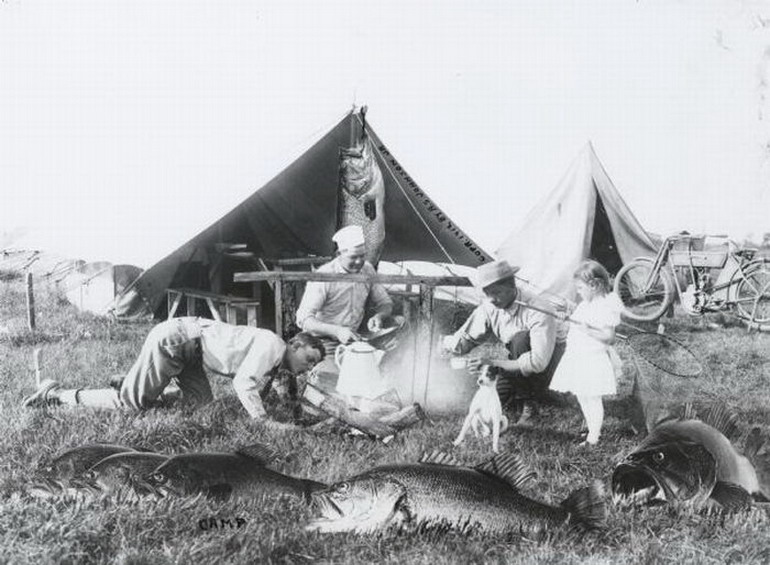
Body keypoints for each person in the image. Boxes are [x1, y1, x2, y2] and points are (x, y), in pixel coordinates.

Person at [22, 317, 325, 429]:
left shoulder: (277, 357)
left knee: (200, 404)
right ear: (295, 344)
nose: (308, 367)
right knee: (131, 405)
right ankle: (57, 395)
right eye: (309, 359)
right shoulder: (273, 345)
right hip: (177, 340)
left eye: (313, 366)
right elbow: (243, 382)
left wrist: (295, 410)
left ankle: (135, 381)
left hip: (192, 349)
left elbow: (278, 389)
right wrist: (261, 420)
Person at [441, 260, 567, 425]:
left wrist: (493, 363)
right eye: (487, 294)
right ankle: (538, 393)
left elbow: (538, 362)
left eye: (496, 292)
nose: (492, 299)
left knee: (520, 339)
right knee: (494, 400)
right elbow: (467, 337)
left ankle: (530, 404)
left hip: (550, 361)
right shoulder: (490, 306)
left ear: (512, 286)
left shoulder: (537, 309)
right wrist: (448, 348)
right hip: (516, 357)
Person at [296, 225, 399, 364]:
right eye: (353, 257)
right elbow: (303, 319)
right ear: (339, 254)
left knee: (391, 345)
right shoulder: (324, 275)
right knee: (340, 373)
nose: (359, 262)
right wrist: (337, 331)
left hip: (354, 338)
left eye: (362, 256)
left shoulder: (367, 269)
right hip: (322, 342)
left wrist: (379, 316)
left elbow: (385, 303)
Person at [549, 260, 623, 446]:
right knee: (582, 395)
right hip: (578, 356)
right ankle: (592, 429)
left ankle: (593, 437)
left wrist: (587, 330)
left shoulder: (606, 305)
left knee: (592, 397)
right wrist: (566, 319)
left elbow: (609, 337)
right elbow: (576, 324)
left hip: (593, 357)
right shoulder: (585, 304)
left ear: (594, 285)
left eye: (580, 288)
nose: (578, 292)